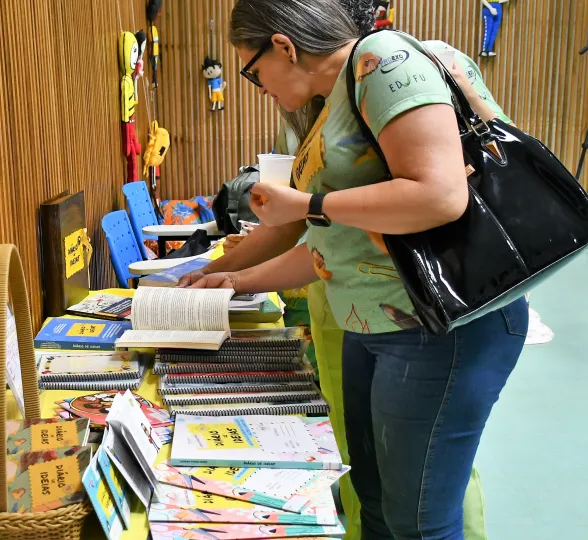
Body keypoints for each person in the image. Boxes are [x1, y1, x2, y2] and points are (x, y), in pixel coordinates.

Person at [184, 1, 527, 539]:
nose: (259, 87)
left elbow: (439, 196)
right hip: (376, 325)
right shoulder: (330, 101)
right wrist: (232, 275)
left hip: (437, 325)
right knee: (374, 503)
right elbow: (332, 246)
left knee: (420, 519)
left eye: (252, 72)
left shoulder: (381, 59)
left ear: (283, 46)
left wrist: (308, 204)